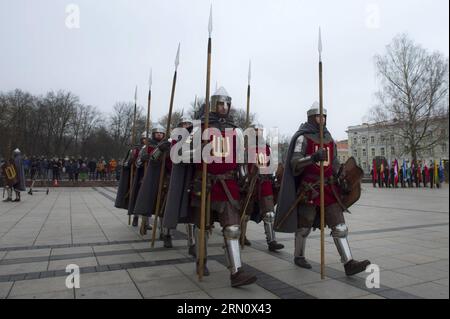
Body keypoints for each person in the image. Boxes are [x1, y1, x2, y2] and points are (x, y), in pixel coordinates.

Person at [164, 87, 257, 287]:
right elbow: (180, 154)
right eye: (220, 103)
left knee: (232, 229)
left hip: (229, 185)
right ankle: (201, 261)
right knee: (202, 228)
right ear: (214, 105)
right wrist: (201, 152)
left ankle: (236, 272)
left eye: (227, 104)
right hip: (205, 183)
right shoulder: (200, 128)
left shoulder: (237, 130)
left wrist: (244, 177)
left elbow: (240, 158)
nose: (224, 107)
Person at [274, 103, 371, 276]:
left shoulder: (329, 138)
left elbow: (334, 163)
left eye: (324, 116)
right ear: (311, 118)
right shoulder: (303, 138)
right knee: (304, 227)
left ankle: (349, 262)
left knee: (340, 226)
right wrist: (313, 158)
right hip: (310, 188)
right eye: (319, 116)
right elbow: (295, 163)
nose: (322, 119)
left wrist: (341, 176)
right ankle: (299, 255)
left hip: (329, 188)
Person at [240, 123, 284, 251]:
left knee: (269, 213)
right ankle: (241, 236)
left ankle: (271, 241)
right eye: (256, 130)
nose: (259, 132)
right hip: (251, 184)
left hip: (265, 183)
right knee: (245, 214)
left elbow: (272, 165)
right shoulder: (245, 148)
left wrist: (273, 176)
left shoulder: (267, 148)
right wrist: (245, 179)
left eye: (260, 130)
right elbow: (241, 166)